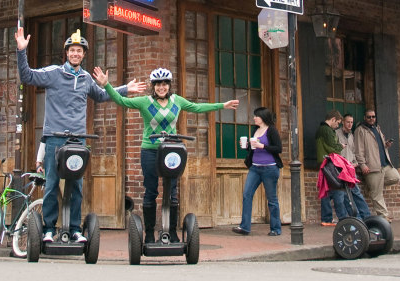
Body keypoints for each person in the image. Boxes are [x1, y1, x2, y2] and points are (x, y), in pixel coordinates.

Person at [15, 27, 146, 243]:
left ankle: (75, 228)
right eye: (72, 50)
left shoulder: (85, 78)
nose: (76, 54)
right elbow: (27, 75)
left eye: (79, 51)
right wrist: (21, 51)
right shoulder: (54, 73)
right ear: (66, 53)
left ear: (84, 55)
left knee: (76, 185)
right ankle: (49, 229)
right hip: (55, 138)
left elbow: (102, 95)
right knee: (51, 185)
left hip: (77, 140)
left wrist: (124, 89)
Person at [92, 67, 239, 243]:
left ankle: (172, 232)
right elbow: (121, 101)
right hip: (150, 151)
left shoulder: (177, 101)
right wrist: (107, 85)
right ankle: (148, 234)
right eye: (158, 84)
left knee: (172, 192)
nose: (161, 87)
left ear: (169, 86)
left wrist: (222, 105)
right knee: (151, 191)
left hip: (171, 150)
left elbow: (197, 107)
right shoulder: (144, 102)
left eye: (164, 84)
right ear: (153, 86)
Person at [231, 107, 283, 236]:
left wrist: (263, 146)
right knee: (247, 194)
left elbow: (278, 148)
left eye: (256, 116)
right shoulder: (255, 130)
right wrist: (247, 146)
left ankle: (276, 229)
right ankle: (245, 227)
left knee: (272, 199)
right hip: (255, 168)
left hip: (270, 168)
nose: (254, 118)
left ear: (263, 117)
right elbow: (253, 148)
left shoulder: (271, 130)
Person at [354, 109, 400, 222]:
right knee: (377, 194)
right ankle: (384, 217)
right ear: (364, 117)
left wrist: (386, 145)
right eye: (369, 117)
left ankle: (372, 187)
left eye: (373, 117)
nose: (371, 119)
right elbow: (358, 149)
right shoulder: (360, 130)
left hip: (384, 164)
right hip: (372, 166)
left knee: (395, 177)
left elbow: (378, 146)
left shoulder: (377, 128)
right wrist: (362, 164)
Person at [335, 114, 371, 220]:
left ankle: (366, 216)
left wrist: (356, 163)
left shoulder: (352, 135)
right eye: (348, 122)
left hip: (351, 167)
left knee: (356, 192)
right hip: (341, 168)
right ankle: (356, 217)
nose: (350, 124)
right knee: (345, 195)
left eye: (351, 122)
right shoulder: (337, 134)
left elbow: (354, 151)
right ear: (343, 122)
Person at [315, 110, 347, 226]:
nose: (337, 126)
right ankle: (343, 218)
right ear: (333, 119)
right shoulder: (327, 130)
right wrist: (341, 146)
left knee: (326, 192)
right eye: (337, 123)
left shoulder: (321, 129)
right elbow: (332, 147)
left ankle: (326, 219)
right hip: (330, 164)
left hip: (323, 164)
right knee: (338, 191)